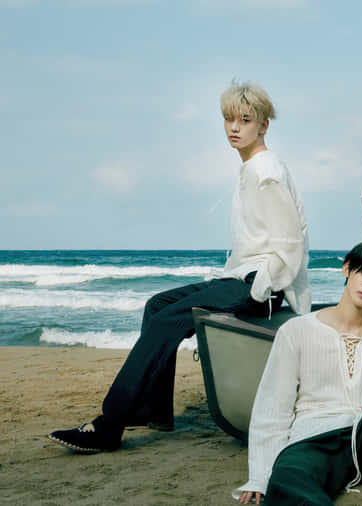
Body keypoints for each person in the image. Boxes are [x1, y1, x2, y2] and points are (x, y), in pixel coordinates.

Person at [49, 81, 311, 454]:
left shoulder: (263, 170)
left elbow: (290, 241)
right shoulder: (251, 167)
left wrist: (268, 286)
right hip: (240, 276)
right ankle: (155, 410)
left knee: (165, 322)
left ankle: (109, 425)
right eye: (228, 119)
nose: (234, 127)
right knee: (157, 305)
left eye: (245, 120)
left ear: (263, 125)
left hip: (258, 287)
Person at [235, 239, 362, 506]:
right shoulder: (297, 331)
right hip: (316, 439)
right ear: (347, 269)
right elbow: (273, 406)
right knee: (286, 477)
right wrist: (260, 476)